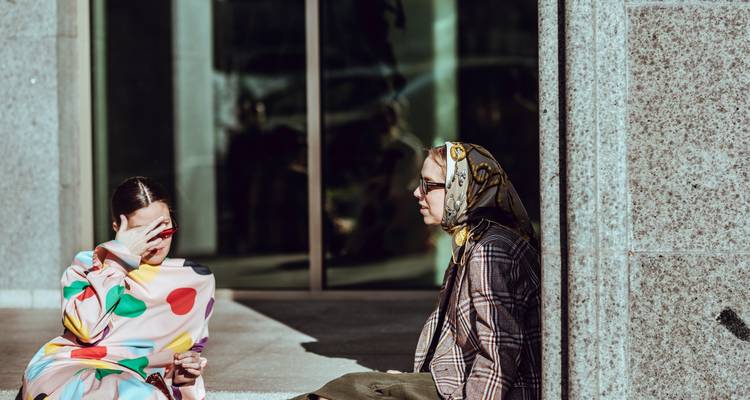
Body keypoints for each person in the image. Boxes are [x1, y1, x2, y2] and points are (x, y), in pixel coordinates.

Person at [291, 142, 541, 400]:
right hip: (455, 382)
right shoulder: (474, 239)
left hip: (490, 392)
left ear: (461, 187)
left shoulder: (490, 251)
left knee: (351, 389)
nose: (416, 193)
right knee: (347, 388)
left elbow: (500, 353)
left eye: (428, 184)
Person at [19, 177, 216, 400]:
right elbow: (86, 329)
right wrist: (118, 261)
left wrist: (184, 376)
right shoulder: (89, 265)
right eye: (144, 233)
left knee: (133, 392)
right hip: (75, 366)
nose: (157, 242)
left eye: (164, 230)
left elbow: (180, 361)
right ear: (117, 229)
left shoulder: (195, 280)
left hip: (139, 379)